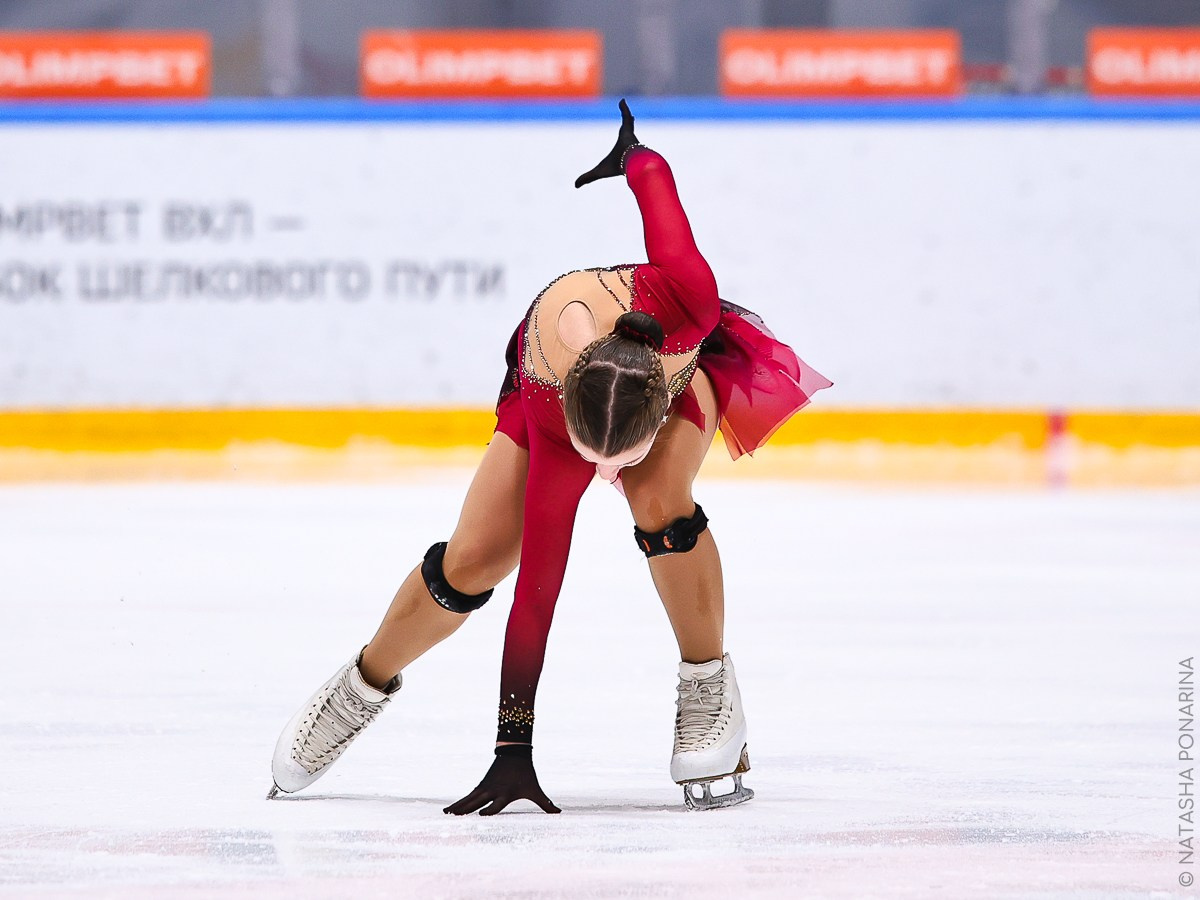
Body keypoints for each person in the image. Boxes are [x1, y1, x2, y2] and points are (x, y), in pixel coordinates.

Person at [268, 100, 831, 814]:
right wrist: (513, 750)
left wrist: (632, 155)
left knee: (658, 497)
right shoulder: (550, 393)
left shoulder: (689, 300)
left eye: (616, 459)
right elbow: (540, 589)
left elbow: (656, 180)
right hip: (558, 394)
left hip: (687, 371)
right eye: (596, 459)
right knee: (476, 558)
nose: (606, 476)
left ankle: (708, 688)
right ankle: (360, 685)